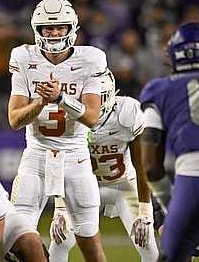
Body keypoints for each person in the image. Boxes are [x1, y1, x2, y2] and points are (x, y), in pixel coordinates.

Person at [7, 0, 107, 261]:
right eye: (48, 28)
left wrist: (61, 98)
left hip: (75, 156)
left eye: (60, 27)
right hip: (36, 156)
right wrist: (42, 101)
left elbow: (92, 118)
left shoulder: (91, 59)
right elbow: (15, 120)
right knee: (18, 237)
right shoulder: (23, 57)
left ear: (71, 28)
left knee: (90, 241)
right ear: (37, 30)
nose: (54, 33)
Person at [48, 70, 160, 261]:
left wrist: (145, 212)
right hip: (82, 187)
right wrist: (59, 208)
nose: (95, 104)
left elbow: (141, 165)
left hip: (123, 184)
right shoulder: (67, 115)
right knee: (60, 238)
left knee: (147, 241)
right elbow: (59, 162)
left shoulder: (129, 112)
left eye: (100, 97)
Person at [139, 22, 199, 261]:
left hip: (193, 177)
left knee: (171, 256)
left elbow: (150, 165)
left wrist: (168, 203)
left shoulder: (160, 89)